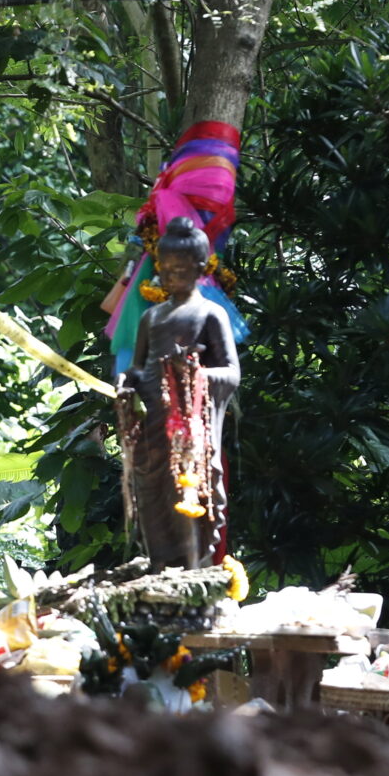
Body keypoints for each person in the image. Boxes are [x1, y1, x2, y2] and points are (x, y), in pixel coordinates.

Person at [115, 215, 241, 570]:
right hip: (153, 424)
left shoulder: (211, 314)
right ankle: (159, 567)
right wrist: (126, 381)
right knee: (151, 494)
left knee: (190, 491)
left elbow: (231, 373)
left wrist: (195, 375)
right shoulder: (151, 317)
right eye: (166, 269)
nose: (173, 276)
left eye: (181, 269)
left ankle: (192, 569)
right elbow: (139, 368)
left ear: (201, 267)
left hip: (190, 429)